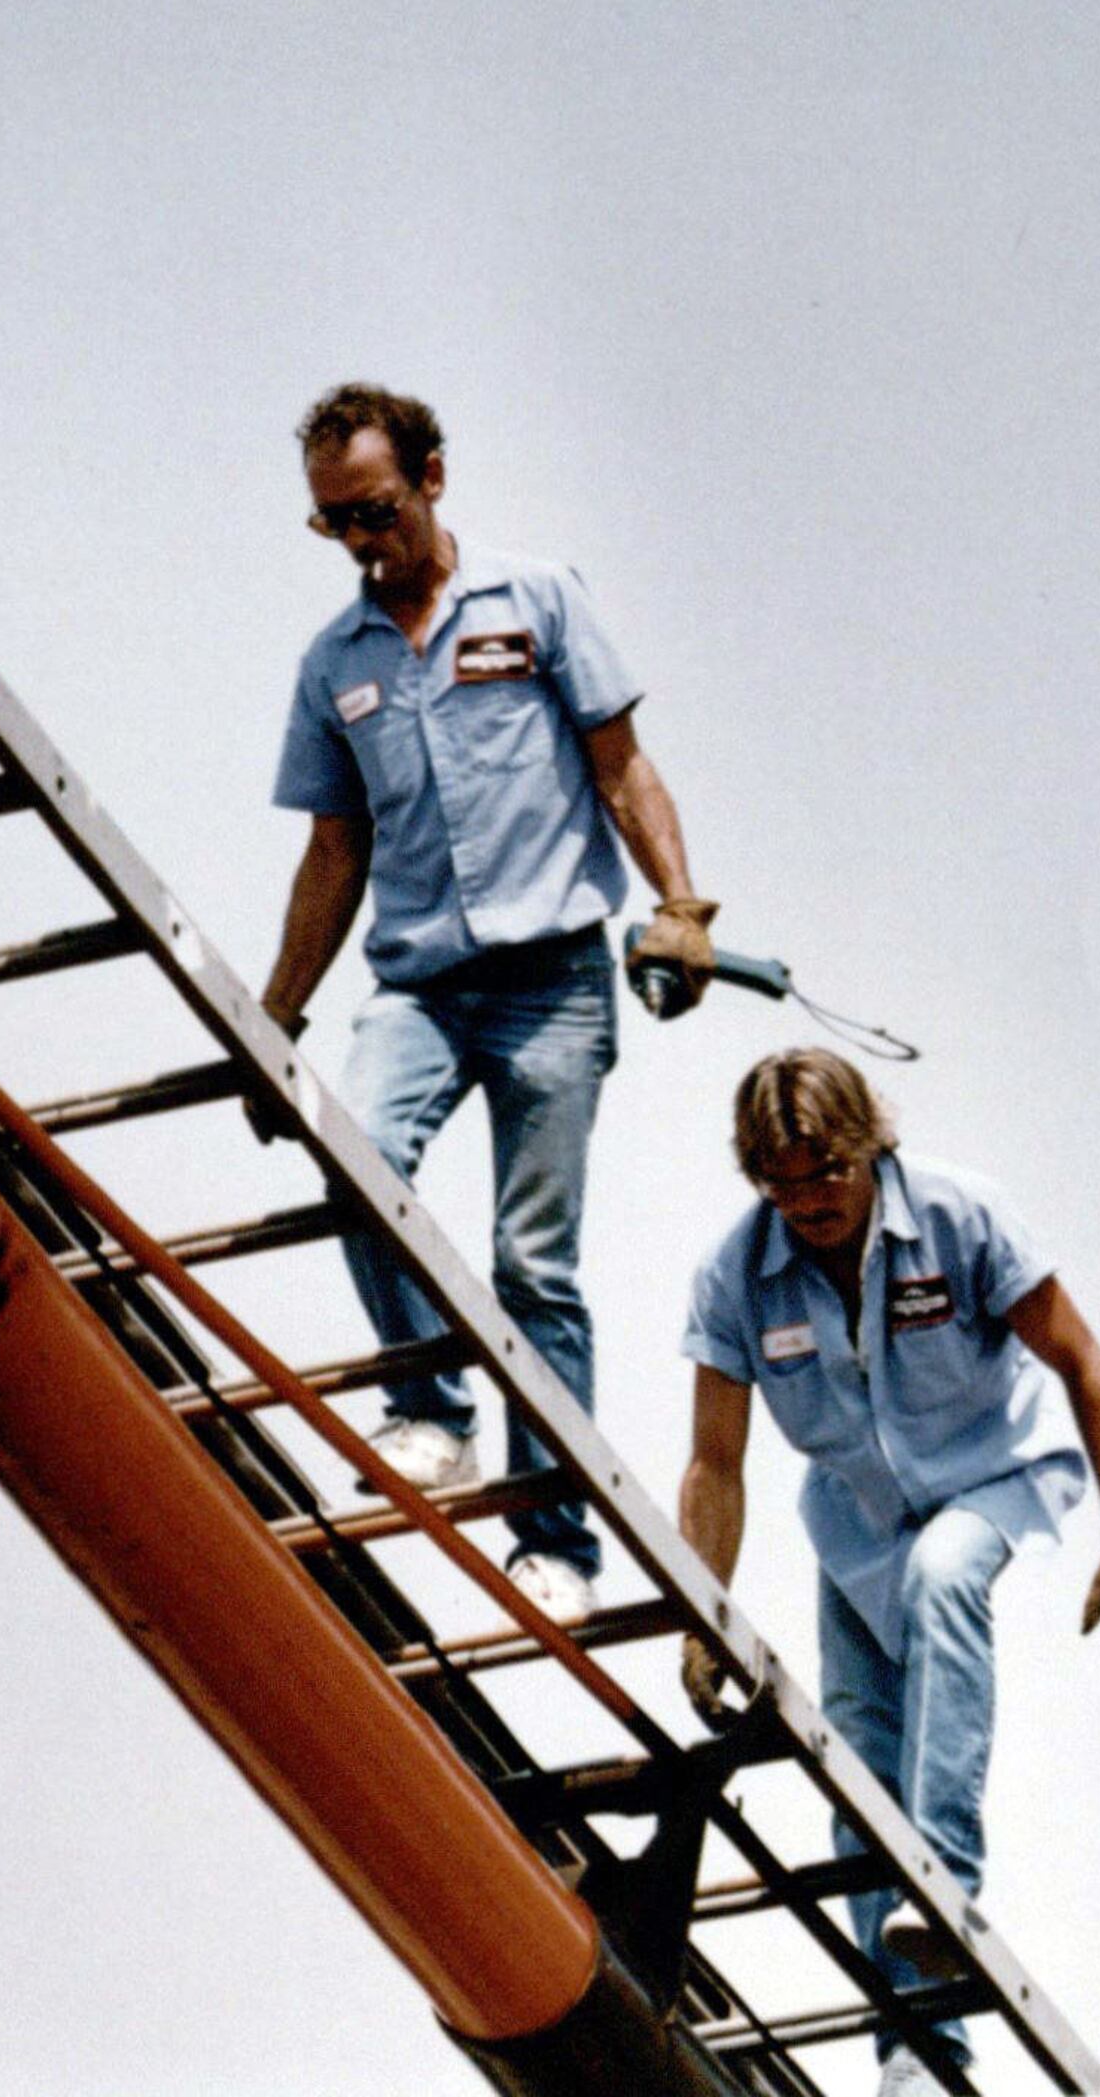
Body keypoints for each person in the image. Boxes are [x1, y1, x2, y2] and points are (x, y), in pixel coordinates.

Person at [259, 382, 713, 1622]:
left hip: (552, 982)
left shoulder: (538, 601)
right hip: (419, 984)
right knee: (352, 1148)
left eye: (376, 510)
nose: (361, 540)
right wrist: (278, 1012)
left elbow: (621, 765)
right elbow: (333, 852)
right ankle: (430, 1410)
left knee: (533, 1265)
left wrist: (680, 901)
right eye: (333, 523)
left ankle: (555, 1539)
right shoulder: (333, 665)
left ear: (435, 478)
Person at [678, 1048, 1100, 2096]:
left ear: (869, 1148)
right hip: (856, 1524)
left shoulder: (959, 1214)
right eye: (783, 1179)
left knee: (947, 1574)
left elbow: (1084, 1362)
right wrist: (699, 1608)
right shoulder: (737, 1271)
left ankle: (944, 1874)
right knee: (856, 1764)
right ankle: (917, 2049)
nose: (808, 1199)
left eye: (827, 1173)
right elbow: (717, 1459)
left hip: (987, 1477)